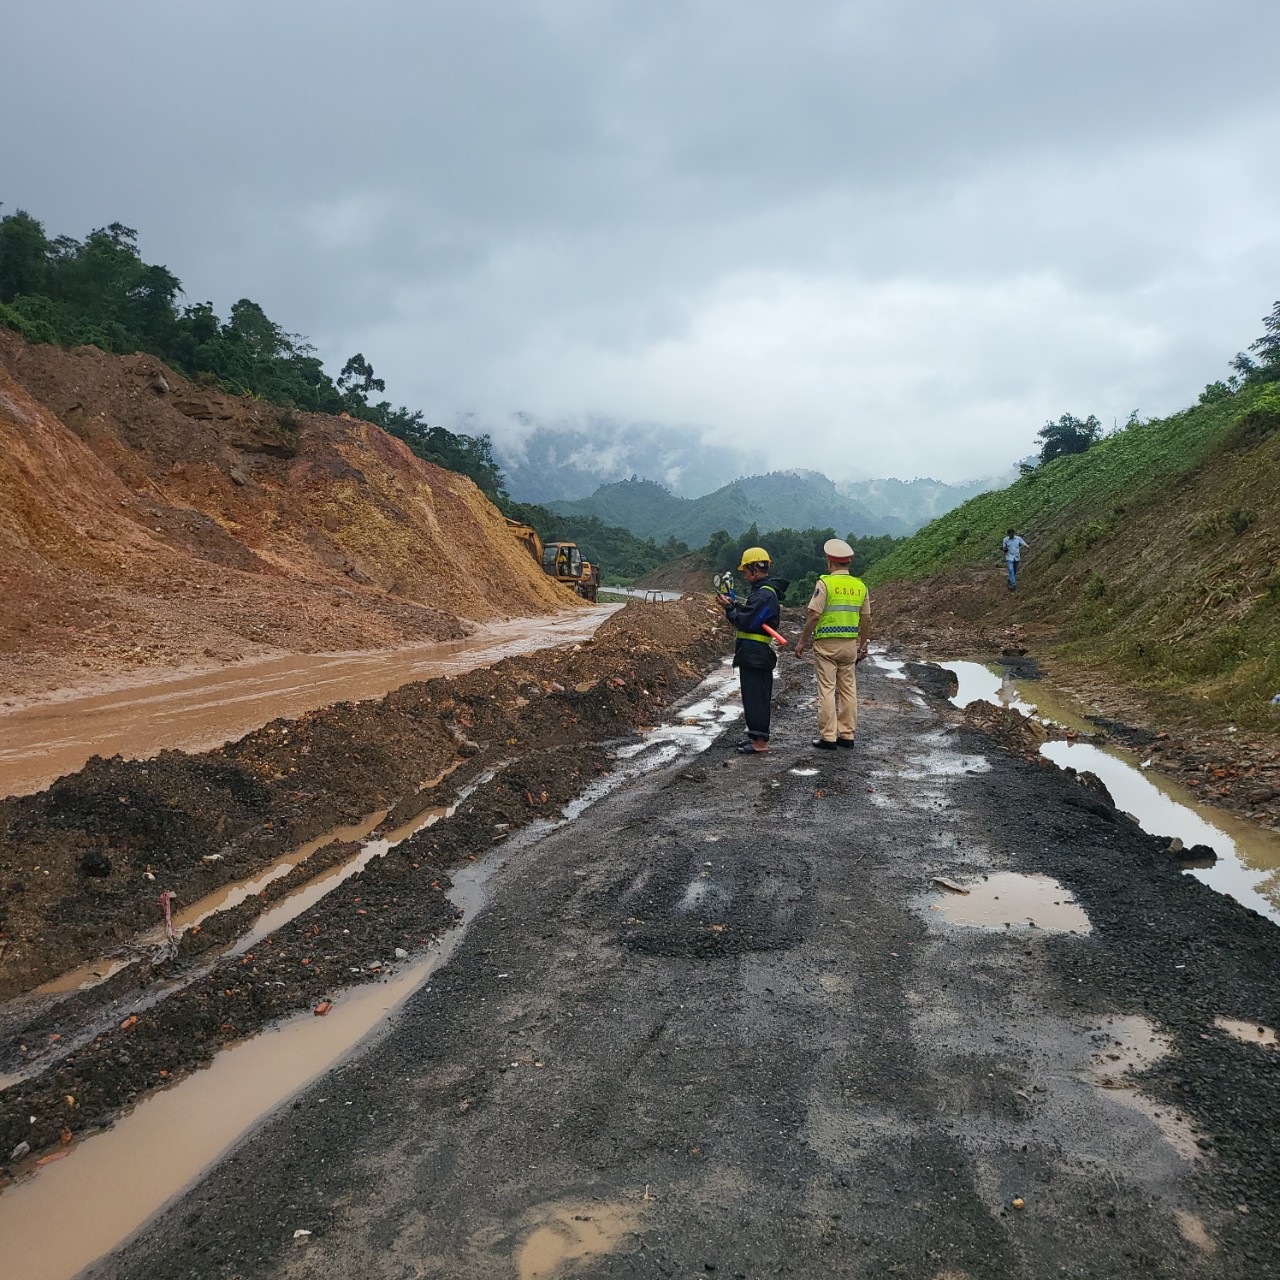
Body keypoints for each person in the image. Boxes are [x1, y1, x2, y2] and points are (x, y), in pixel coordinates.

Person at [793, 538, 868, 750]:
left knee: (827, 689)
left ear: (830, 562)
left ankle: (828, 736)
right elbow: (867, 618)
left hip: (826, 645)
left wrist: (801, 642)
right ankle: (847, 735)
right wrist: (862, 644)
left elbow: (814, 615)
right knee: (848, 689)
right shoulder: (860, 586)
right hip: (849, 646)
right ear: (848, 563)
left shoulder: (825, 584)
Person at [717, 546, 788, 755]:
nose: (744, 575)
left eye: (745, 571)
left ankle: (760, 742)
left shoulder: (765, 595)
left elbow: (746, 621)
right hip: (752, 653)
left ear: (754, 570)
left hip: (756, 654)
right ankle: (755, 736)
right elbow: (751, 615)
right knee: (752, 696)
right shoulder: (761, 594)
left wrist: (730, 609)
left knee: (756, 696)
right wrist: (735, 605)